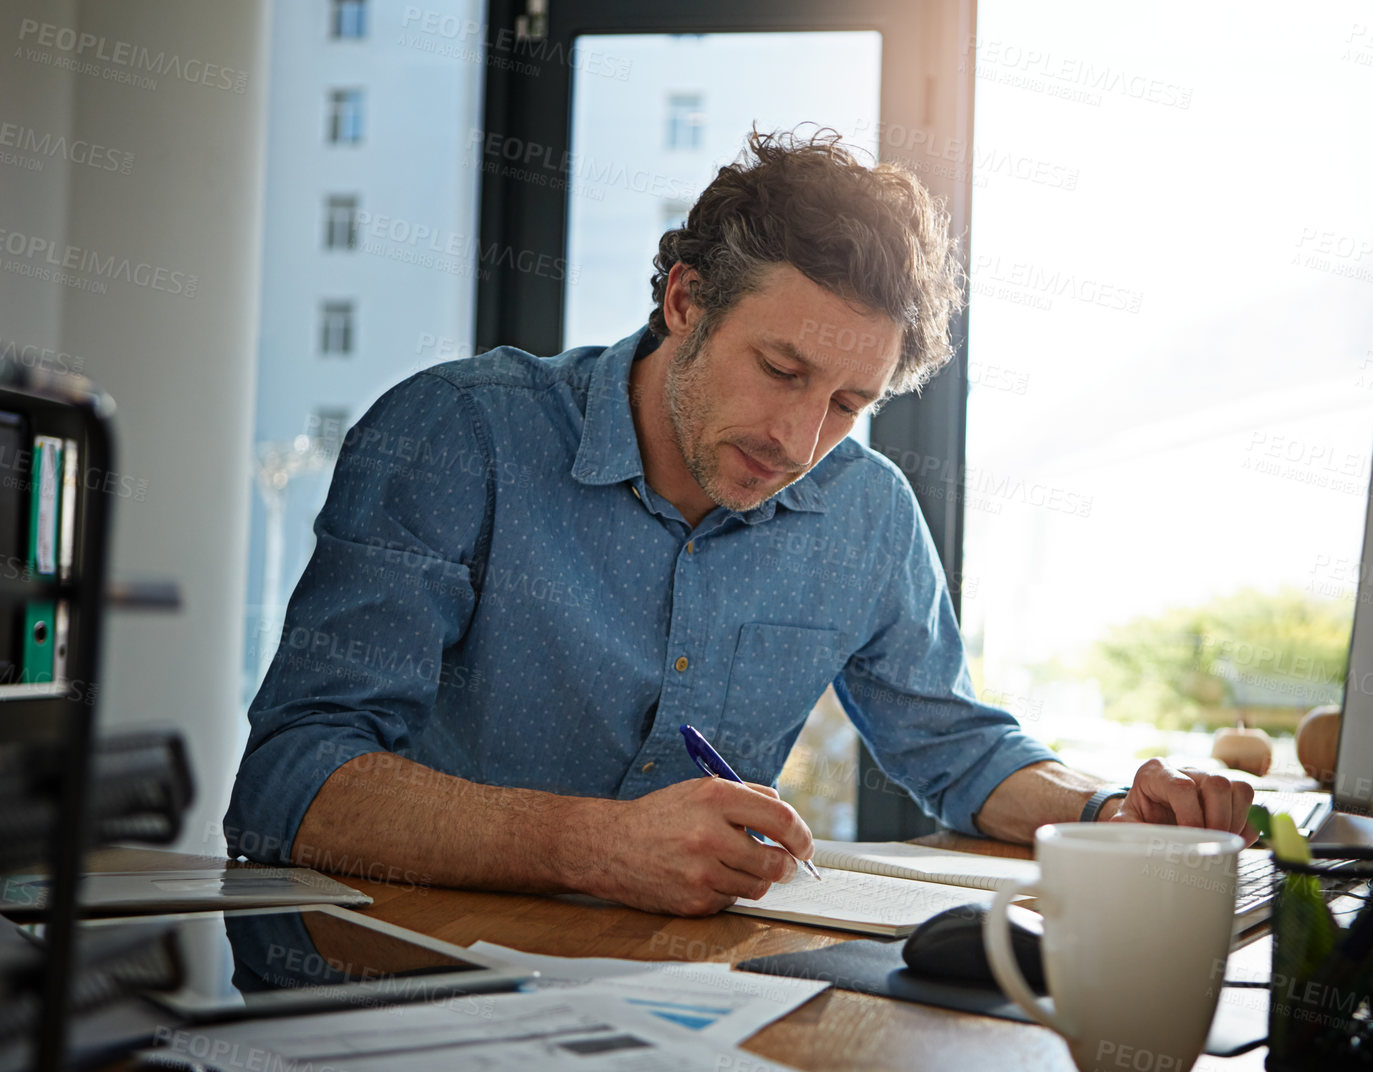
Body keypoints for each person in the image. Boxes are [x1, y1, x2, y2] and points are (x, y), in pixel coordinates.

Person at [227, 130, 1253, 916]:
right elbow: (284, 786)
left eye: (851, 402)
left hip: (685, 995)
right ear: (684, 300)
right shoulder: (458, 434)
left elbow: (958, 748)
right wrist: (596, 844)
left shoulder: (865, 510)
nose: (803, 439)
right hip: (407, 983)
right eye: (781, 370)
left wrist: (1111, 811)